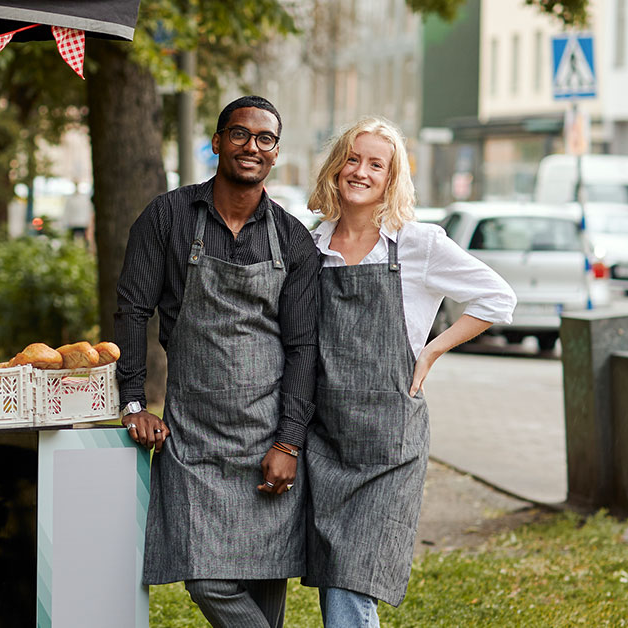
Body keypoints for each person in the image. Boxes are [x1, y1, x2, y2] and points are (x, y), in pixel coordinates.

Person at [114, 95, 320, 628]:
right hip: (194, 440)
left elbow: (303, 348)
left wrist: (288, 442)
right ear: (217, 141)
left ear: (275, 153)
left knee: (264, 580)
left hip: (265, 440)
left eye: (265, 138)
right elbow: (133, 309)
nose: (251, 146)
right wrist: (134, 401)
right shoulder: (168, 217)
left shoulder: (293, 240)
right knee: (207, 581)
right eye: (239, 134)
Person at [302, 116, 516, 627]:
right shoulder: (310, 246)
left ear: (392, 178)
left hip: (388, 443)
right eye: (352, 159)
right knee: (335, 572)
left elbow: (498, 298)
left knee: (355, 576)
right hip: (324, 436)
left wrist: (432, 350)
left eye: (376, 164)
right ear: (335, 168)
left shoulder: (417, 245)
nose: (361, 171)